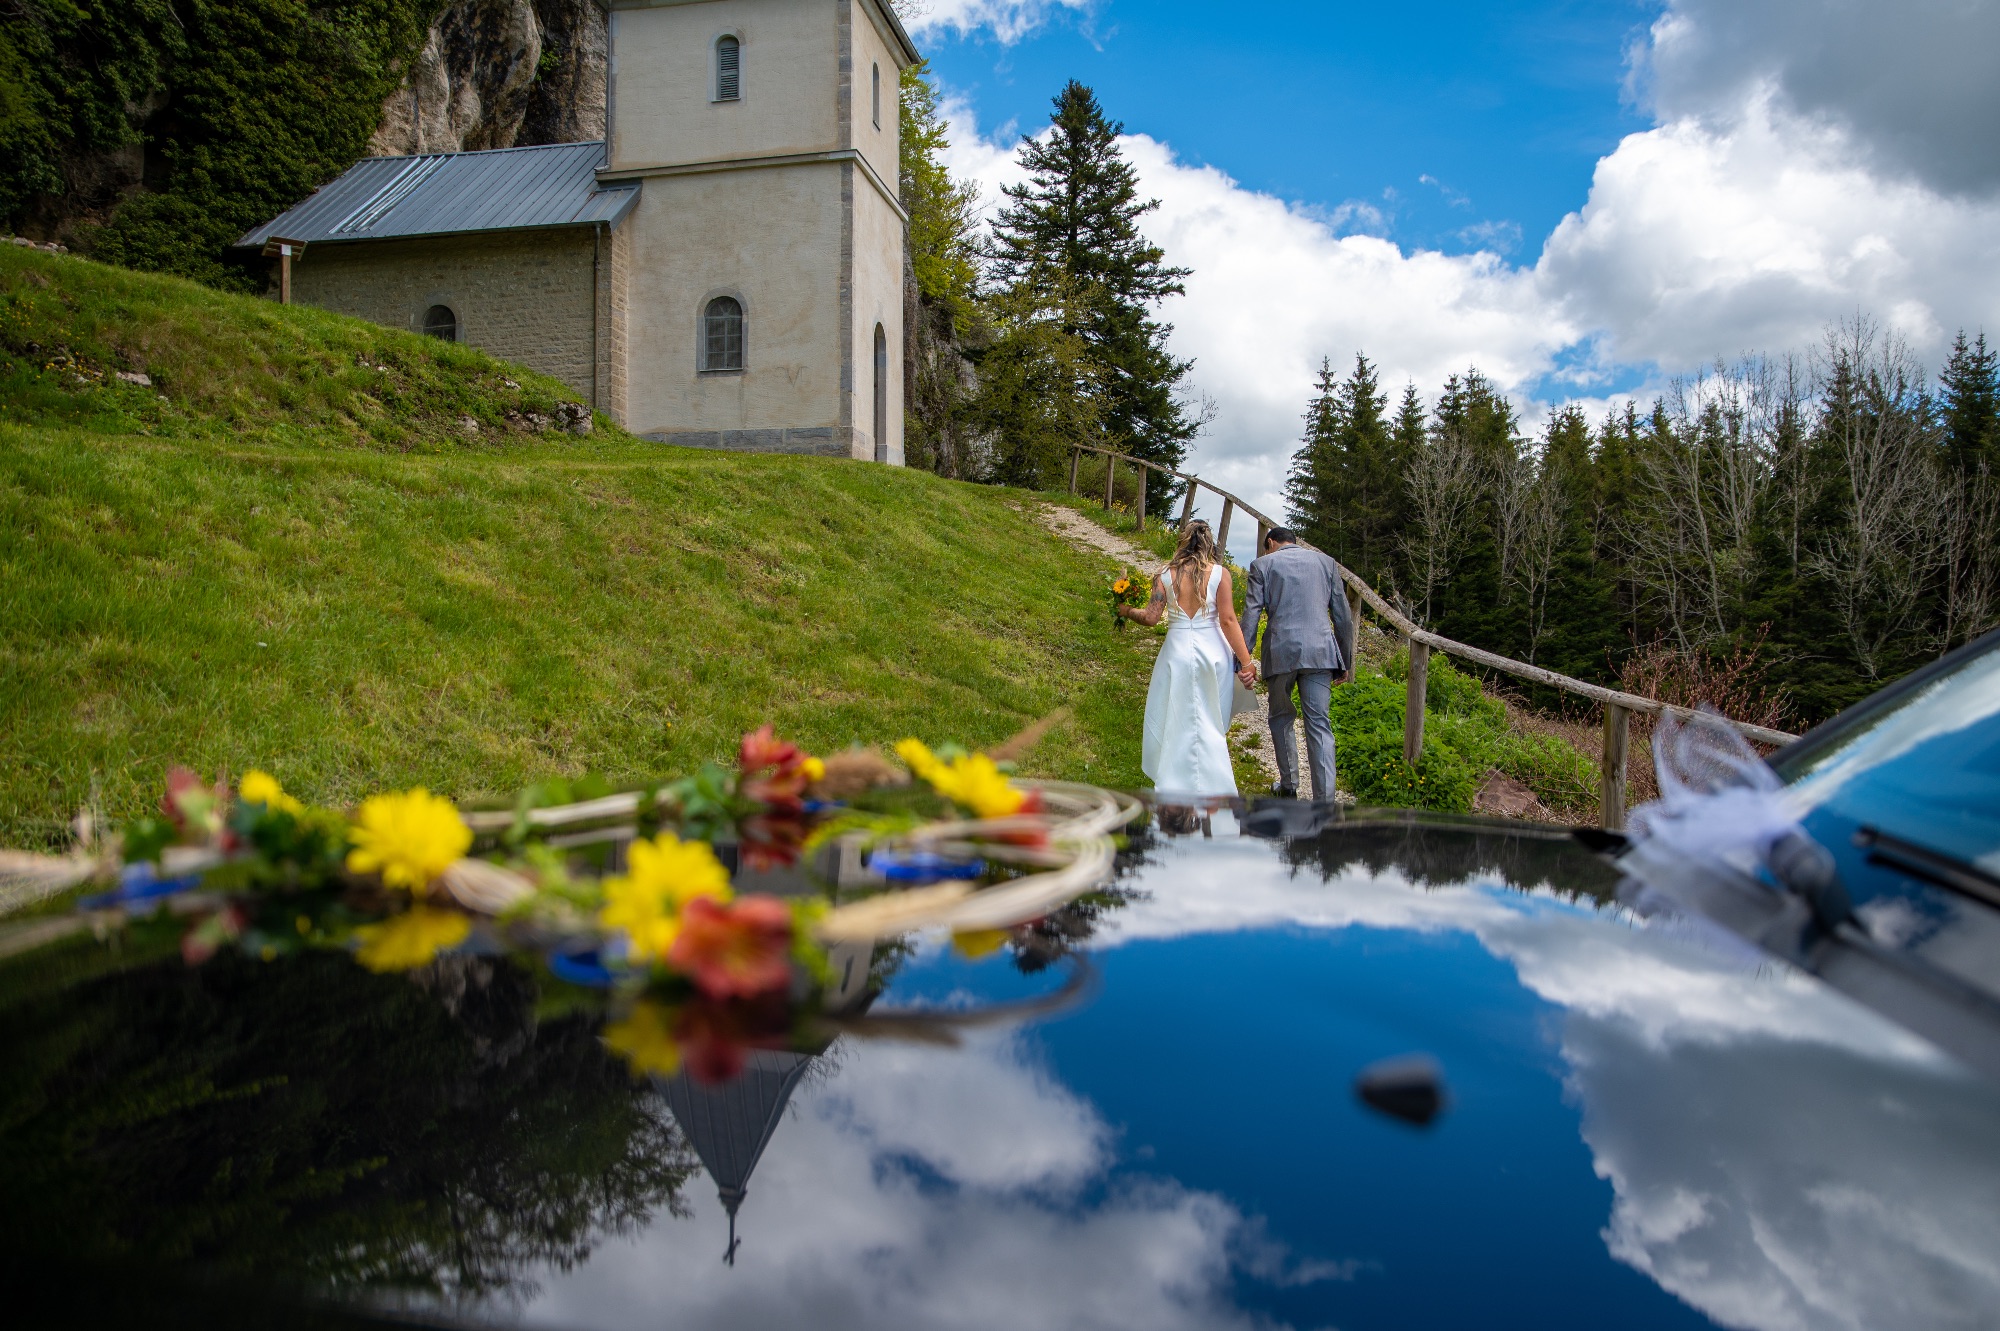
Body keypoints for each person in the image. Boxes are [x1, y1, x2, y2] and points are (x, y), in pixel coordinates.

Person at [1117, 519, 1258, 797]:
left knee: (1176, 719)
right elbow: (1228, 620)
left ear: (1182, 541)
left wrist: (1125, 610)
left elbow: (1151, 617)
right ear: (1209, 544)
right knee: (1210, 720)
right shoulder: (1220, 574)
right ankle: (1217, 791)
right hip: (1213, 653)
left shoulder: (1164, 576)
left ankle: (1173, 789)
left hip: (1177, 653)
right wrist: (1246, 661)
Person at [1242, 527, 1356, 802]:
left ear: (1270, 543)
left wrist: (1243, 658)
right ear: (1295, 542)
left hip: (1281, 652)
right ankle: (1324, 800)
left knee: (1281, 717)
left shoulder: (1262, 565)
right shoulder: (1325, 563)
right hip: (1320, 653)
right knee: (1319, 724)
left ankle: (1289, 784)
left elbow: (1251, 614)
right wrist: (1345, 661)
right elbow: (1342, 617)